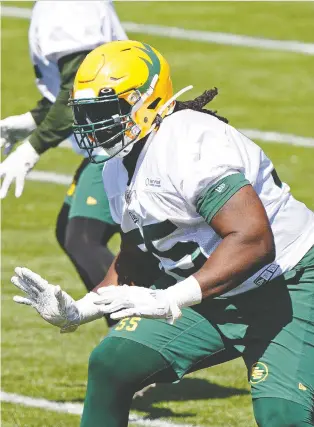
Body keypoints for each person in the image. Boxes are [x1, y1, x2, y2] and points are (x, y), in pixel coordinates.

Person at [11, 40, 314, 427]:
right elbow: (138, 254)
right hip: (215, 290)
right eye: (87, 113)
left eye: (105, 110)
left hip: (289, 285)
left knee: (281, 416)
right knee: (112, 364)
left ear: (146, 101)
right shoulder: (117, 165)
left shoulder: (189, 141)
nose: (92, 125)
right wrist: (80, 310)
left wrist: (172, 297)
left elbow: (253, 240)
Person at [0, 0, 126, 292]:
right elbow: (78, 86)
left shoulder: (66, 7)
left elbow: (82, 92)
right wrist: (31, 120)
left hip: (120, 139)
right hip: (113, 134)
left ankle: (141, 329)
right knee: (72, 230)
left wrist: (33, 148)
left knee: (83, 238)